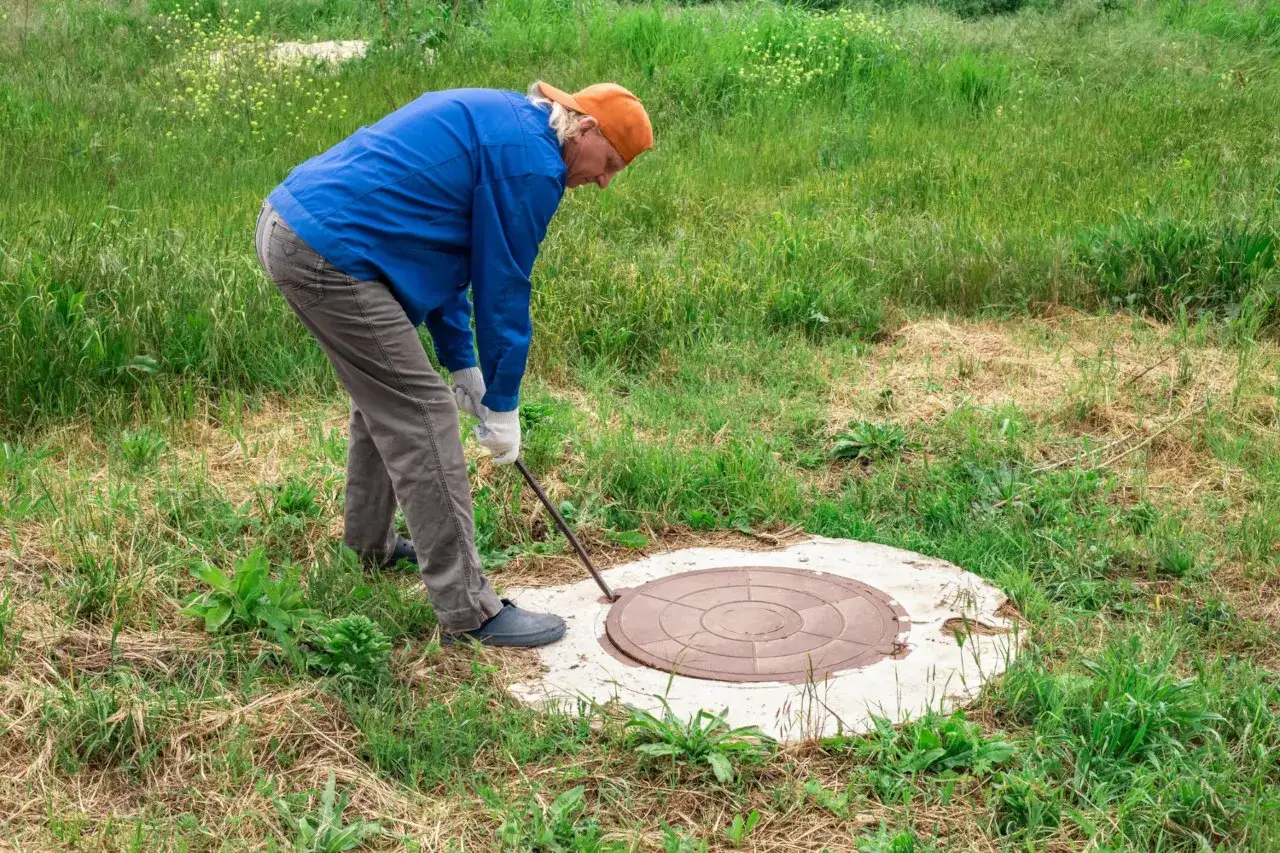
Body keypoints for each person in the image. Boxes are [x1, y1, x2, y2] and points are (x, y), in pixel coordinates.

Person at [254, 81, 653, 647]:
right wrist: (504, 402)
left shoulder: (514, 126)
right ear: (584, 129)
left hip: (299, 225)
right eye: (609, 162)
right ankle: (469, 613)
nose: (605, 180)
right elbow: (503, 287)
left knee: (389, 398)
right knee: (423, 413)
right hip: (330, 250)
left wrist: (464, 362)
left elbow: (441, 245)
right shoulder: (532, 167)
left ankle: (369, 546)